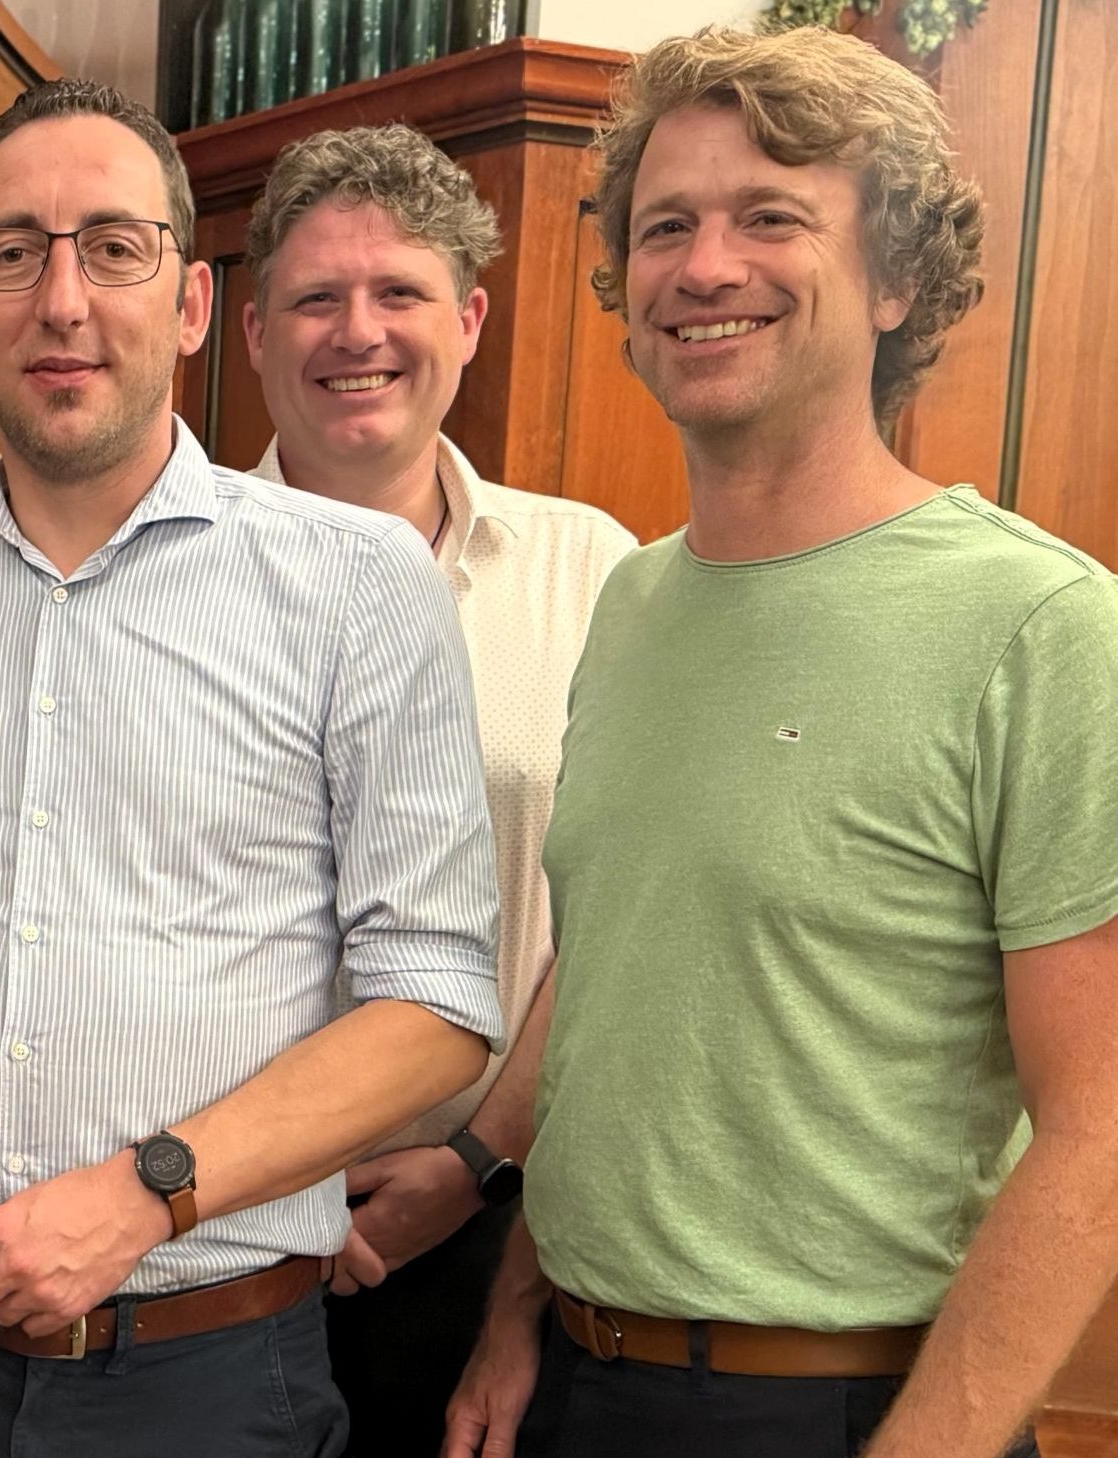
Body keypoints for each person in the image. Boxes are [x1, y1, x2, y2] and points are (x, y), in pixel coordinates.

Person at [0, 77, 506, 1458]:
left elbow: (435, 1000)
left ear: (190, 304)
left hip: (203, 1368)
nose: (62, 301)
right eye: (11, 254)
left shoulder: (355, 584)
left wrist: (144, 1193)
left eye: (112, 249)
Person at [440, 26, 1118, 1458]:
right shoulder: (629, 600)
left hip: (849, 1405)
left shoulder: (1042, 623)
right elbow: (625, 986)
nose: (704, 265)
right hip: (579, 1373)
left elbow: (1100, 1132)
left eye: (771, 217)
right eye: (666, 225)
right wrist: (515, 1302)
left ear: (896, 280)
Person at [234, 124, 635, 1456]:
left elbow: (617, 917)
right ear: (251, 331)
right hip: (207, 1228)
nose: (359, 332)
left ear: (467, 318)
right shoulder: (151, 580)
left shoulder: (591, 578)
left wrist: (473, 1166)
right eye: (315, 297)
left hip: (494, 1241)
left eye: (398, 292)